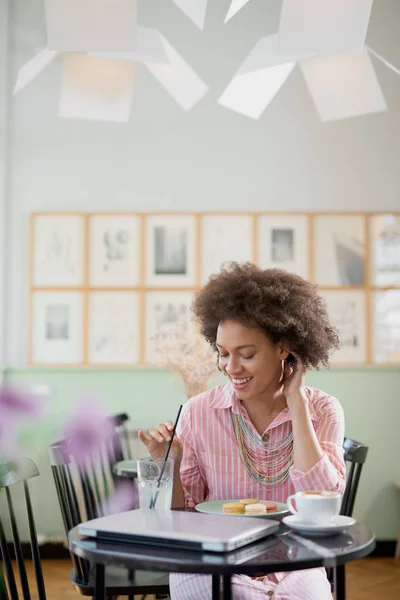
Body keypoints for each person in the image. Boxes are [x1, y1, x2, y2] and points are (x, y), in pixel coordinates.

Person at [139, 262, 345, 600]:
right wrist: (169, 466)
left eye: (246, 354)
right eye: (222, 354)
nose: (231, 368)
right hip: (212, 561)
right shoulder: (198, 412)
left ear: (284, 348)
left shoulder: (322, 410)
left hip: (295, 563)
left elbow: (323, 502)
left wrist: (296, 401)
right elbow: (179, 519)